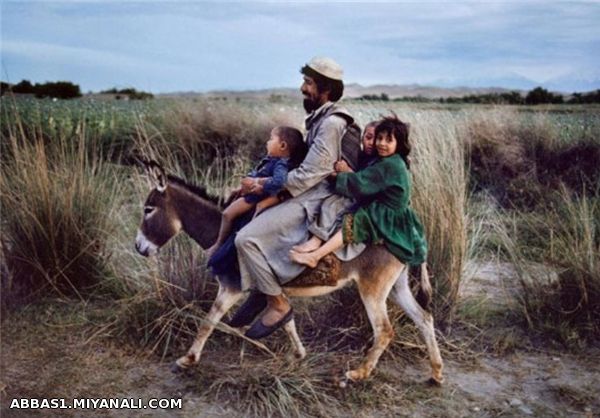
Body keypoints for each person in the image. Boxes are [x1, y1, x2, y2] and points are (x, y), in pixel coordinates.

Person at [232, 57, 364, 339]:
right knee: (260, 222)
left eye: (308, 83)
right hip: (312, 190)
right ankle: (263, 289)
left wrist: (263, 185)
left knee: (245, 239)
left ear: (325, 89)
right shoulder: (320, 119)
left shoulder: (331, 124)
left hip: (320, 196)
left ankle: (277, 304)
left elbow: (309, 175)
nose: (303, 88)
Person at [289, 114, 428, 273]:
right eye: (379, 138)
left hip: (387, 213)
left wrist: (337, 176)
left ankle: (316, 255)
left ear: (399, 144)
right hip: (392, 209)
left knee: (355, 223)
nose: (381, 144)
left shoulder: (389, 165)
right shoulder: (395, 160)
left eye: (388, 140)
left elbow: (361, 183)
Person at [205, 126, 306, 260]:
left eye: (271, 139)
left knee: (227, 214)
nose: (267, 142)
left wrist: (259, 185)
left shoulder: (280, 165)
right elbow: (257, 173)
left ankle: (219, 243)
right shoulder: (271, 160)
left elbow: (279, 182)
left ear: (282, 145)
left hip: (253, 198)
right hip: (251, 193)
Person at [292, 120, 380, 254]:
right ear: (362, 137)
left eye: (377, 139)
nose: (371, 143)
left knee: (331, 205)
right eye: (368, 137)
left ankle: (317, 238)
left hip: (362, 198)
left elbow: (364, 181)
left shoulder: (377, 161)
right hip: (351, 190)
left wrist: (347, 171)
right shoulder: (361, 155)